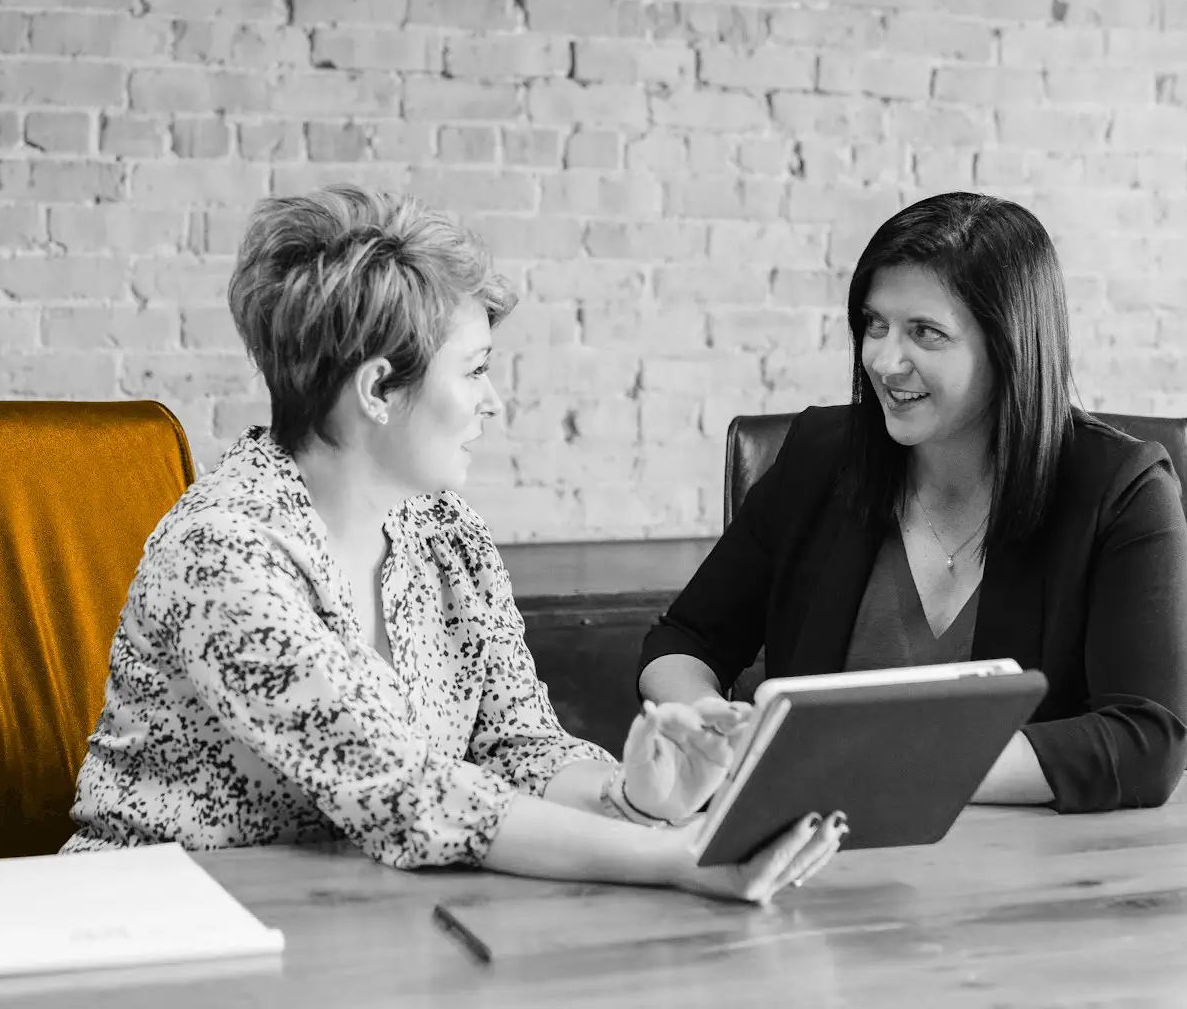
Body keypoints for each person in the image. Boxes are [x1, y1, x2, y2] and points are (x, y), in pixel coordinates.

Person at [66, 185, 841, 902]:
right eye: (475, 372)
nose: (494, 403)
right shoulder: (224, 554)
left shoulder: (443, 531)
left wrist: (635, 800)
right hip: (158, 921)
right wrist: (679, 858)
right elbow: (407, 793)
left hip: (357, 914)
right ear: (377, 390)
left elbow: (517, 745)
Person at [638, 192, 1187, 813]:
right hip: (816, 855)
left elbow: (1148, 740)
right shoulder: (821, 458)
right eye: (875, 324)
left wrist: (871, 766)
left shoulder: (1122, 488)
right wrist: (710, 722)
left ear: (1009, 344)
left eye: (925, 333)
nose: (883, 359)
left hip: (1031, 868)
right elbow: (684, 639)